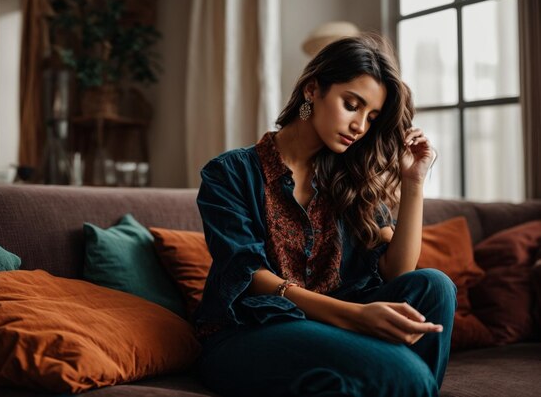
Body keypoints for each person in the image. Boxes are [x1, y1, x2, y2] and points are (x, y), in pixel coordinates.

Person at [193, 33, 456, 397]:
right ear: (312, 90)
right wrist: (358, 318)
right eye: (352, 104)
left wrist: (414, 182)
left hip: (333, 326)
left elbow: (400, 273)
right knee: (406, 375)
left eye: (371, 116)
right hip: (250, 331)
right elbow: (250, 276)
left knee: (435, 285)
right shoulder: (230, 173)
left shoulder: (350, 178)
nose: (360, 126)